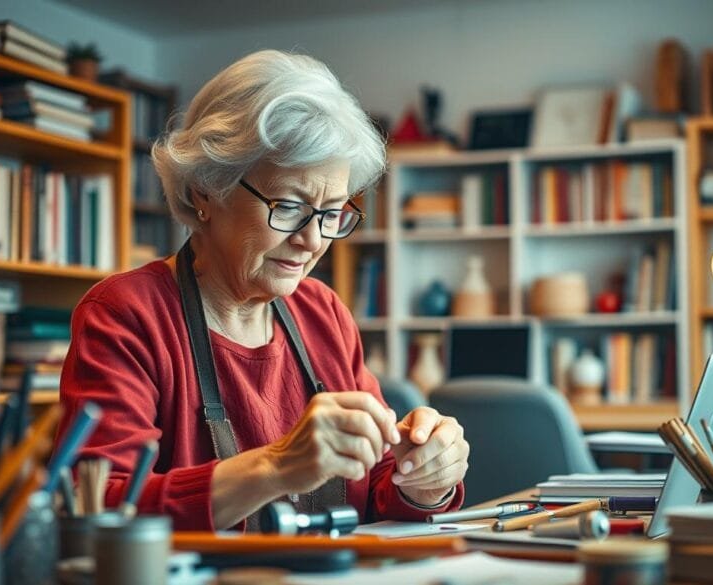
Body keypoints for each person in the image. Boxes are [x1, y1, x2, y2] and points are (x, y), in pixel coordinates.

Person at [54, 50, 469, 530]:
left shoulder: (324, 313)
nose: (313, 240)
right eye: (289, 207)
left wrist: (421, 478)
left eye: (332, 212)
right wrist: (275, 467)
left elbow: (374, 488)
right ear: (207, 190)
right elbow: (95, 507)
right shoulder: (128, 314)